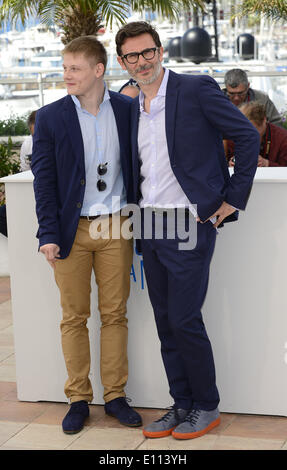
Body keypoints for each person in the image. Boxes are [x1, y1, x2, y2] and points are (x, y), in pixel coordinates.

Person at [115, 21, 259, 440]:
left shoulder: (194, 90)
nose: (141, 62)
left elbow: (247, 138)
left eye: (147, 52)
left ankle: (207, 405)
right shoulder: (131, 106)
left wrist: (232, 198)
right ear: (123, 62)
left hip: (190, 222)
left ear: (160, 51)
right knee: (164, 320)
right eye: (131, 56)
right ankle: (181, 404)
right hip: (150, 222)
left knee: (184, 318)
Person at [31, 35, 142, 435]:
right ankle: (78, 398)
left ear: (99, 70)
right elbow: (44, 183)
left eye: (74, 68)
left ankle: (115, 396)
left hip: (117, 225)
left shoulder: (130, 110)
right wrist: (48, 233)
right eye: (64, 68)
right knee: (73, 317)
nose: (67, 75)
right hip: (70, 230)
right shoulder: (49, 117)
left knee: (115, 315)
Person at [0, 110, 37, 238]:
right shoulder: (27, 144)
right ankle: (21, 242)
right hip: (31, 191)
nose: (37, 139)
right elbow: (25, 171)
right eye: (34, 135)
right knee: (3, 214)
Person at [227, 101, 287, 167]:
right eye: (242, 130)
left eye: (252, 130)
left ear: (264, 121)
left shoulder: (283, 138)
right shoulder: (233, 134)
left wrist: (267, 164)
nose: (247, 135)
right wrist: (231, 164)